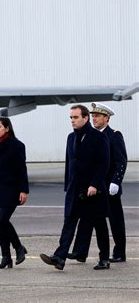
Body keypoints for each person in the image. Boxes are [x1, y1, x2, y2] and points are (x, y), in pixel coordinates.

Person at [40, 104, 110, 270]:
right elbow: (69, 164)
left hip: (93, 191)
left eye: (75, 117)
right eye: (71, 118)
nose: (72, 120)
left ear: (85, 118)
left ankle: (104, 259)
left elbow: (103, 164)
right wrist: (68, 185)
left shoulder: (98, 137)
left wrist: (94, 184)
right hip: (74, 189)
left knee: (99, 225)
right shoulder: (71, 138)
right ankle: (59, 257)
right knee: (69, 222)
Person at [67, 102, 128, 263]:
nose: (94, 119)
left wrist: (116, 181)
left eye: (98, 116)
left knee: (115, 221)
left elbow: (121, 161)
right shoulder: (90, 136)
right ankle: (80, 252)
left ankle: (120, 252)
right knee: (89, 220)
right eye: (93, 116)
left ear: (106, 118)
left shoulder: (114, 135)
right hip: (95, 185)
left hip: (109, 186)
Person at [0, 117, 29, 269]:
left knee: (2, 221)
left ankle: (19, 247)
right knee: (0, 226)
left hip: (12, 190)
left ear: (7, 128)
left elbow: (21, 169)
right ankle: (6, 257)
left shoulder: (17, 146)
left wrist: (24, 190)